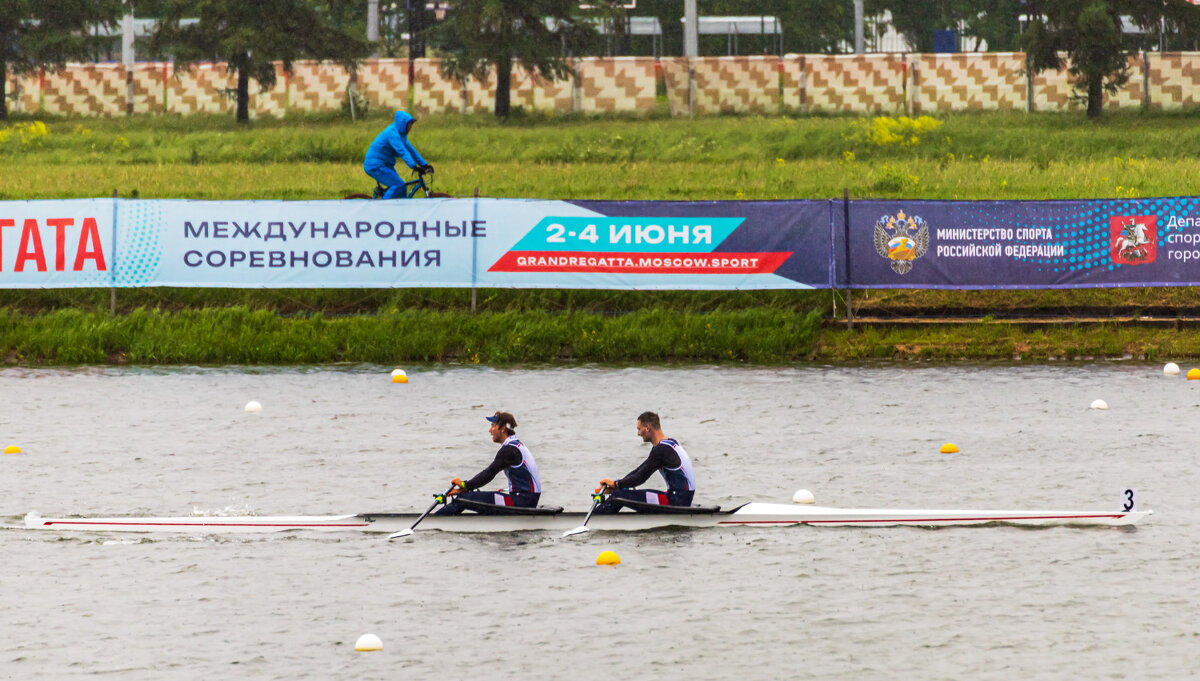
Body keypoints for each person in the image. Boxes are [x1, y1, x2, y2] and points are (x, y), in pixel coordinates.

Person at [436, 411, 542, 515]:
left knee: (462, 500)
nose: (490, 430)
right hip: (527, 499)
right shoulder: (517, 445)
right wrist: (465, 488)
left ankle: (435, 524)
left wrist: (466, 485)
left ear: (503, 428)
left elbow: (488, 474)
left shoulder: (509, 450)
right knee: (472, 496)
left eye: (493, 426)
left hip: (521, 502)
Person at [593, 411, 695, 514]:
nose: (638, 433)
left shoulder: (662, 450)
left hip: (676, 501)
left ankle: (596, 523)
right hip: (681, 498)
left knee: (618, 496)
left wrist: (616, 484)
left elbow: (640, 478)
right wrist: (615, 486)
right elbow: (639, 470)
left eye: (639, 429)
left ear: (647, 427)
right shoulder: (669, 443)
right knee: (621, 493)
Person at [363, 110, 432, 199]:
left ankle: (400, 211)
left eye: (412, 124)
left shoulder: (402, 135)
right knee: (398, 185)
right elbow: (402, 151)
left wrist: (424, 164)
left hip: (385, 165)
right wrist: (414, 166)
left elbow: (411, 150)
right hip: (375, 165)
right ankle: (381, 209)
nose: (411, 127)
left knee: (402, 189)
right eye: (409, 124)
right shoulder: (392, 133)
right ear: (403, 124)